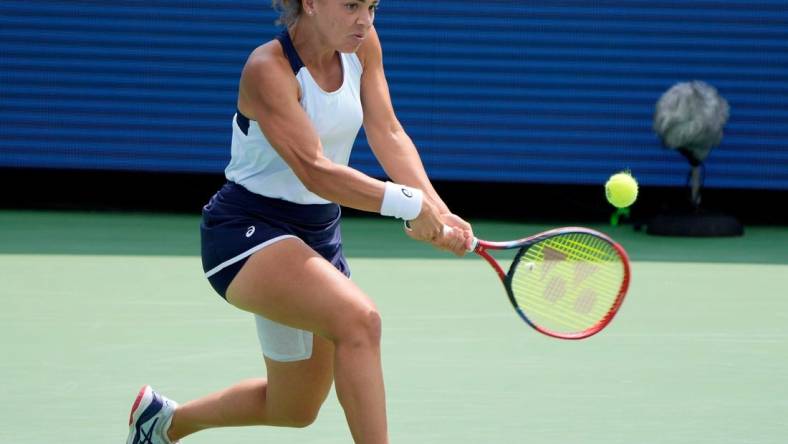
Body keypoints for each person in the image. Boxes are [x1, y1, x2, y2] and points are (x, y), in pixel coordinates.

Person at [126, 1, 473, 443]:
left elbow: (387, 131)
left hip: (317, 236)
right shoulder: (268, 68)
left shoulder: (363, 47)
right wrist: (408, 203)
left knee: (293, 408)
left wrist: (437, 211)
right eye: (351, 5)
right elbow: (315, 170)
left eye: (372, 6)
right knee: (359, 321)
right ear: (310, 3)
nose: (364, 19)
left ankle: (164, 422)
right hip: (247, 232)